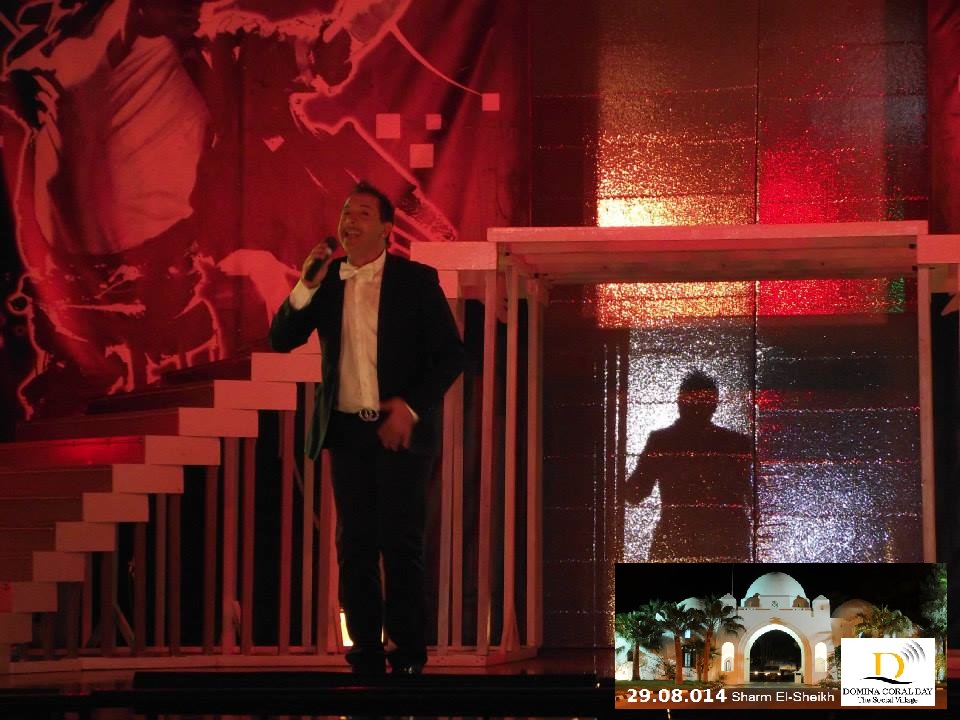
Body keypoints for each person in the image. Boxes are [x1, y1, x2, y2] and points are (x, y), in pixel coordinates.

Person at [269, 181, 465, 675]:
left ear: (386, 228)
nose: (349, 222)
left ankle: (409, 654)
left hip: (399, 430)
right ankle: (365, 653)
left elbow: (450, 355)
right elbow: (281, 339)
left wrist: (410, 407)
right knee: (354, 545)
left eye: (361, 213)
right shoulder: (328, 280)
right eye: (345, 213)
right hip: (347, 430)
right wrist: (305, 283)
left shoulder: (415, 280)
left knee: (400, 542)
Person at [624, 370, 753, 562]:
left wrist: (612, 478)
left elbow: (636, 493)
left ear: (680, 402)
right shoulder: (736, 444)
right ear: (714, 405)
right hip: (724, 544)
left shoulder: (662, 441)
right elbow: (750, 497)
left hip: (675, 543)